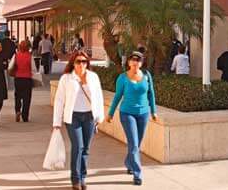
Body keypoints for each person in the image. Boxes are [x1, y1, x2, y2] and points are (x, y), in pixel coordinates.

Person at [53, 51, 104, 190]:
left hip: (89, 117)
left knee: (86, 149)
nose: (81, 64)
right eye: (78, 61)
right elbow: (59, 100)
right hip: (73, 117)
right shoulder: (66, 78)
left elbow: (98, 97)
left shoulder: (93, 77)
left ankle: (83, 177)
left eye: (84, 61)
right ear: (73, 63)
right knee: (78, 146)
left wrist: (99, 117)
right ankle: (75, 180)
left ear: (87, 63)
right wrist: (56, 122)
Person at [107, 51, 157, 186]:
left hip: (144, 114)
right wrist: (110, 113)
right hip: (127, 113)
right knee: (134, 143)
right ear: (128, 62)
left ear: (141, 63)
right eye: (133, 59)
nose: (135, 62)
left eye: (138, 60)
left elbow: (151, 94)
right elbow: (118, 96)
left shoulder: (147, 76)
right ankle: (137, 173)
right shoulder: (122, 78)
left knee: (137, 143)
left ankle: (129, 162)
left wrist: (154, 111)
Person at [10, 40, 38, 123]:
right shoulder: (30, 57)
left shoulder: (16, 56)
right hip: (27, 79)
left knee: (17, 96)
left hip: (18, 78)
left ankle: (17, 110)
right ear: (28, 48)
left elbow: (10, 66)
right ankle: (25, 116)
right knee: (27, 98)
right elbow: (33, 69)